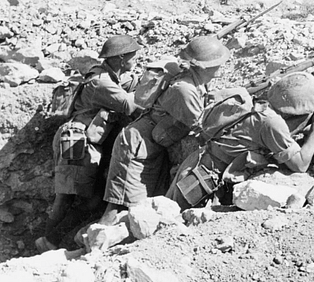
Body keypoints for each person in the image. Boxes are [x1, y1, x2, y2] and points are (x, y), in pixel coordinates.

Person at [166, 72, 314, 211]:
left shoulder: (265, 106)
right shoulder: (272, 123)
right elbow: (301, 164)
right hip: (201, 182)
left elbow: (295, 135)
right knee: (167, 226)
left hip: (198, 166)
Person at [98, 36, 230, 225]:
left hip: (152, 144)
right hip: (137, 146)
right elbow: (201, 126)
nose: (220, 66)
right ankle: (96, 246)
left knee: (142, 208)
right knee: (121, 205)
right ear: (204, 66)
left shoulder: (196, 82)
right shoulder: (185, 89)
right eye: (217, 62)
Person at [35, 35, 142, 253]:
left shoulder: (107, 74)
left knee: (87, 199)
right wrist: (153, 85)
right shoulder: (101, 81)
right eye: (134, 56)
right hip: (77, 139)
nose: (137, 59)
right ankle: (48, 241)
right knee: (66, 196)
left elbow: (126, 85)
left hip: (86, 140)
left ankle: (52, 240)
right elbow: (128, 105)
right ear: (121, 58)